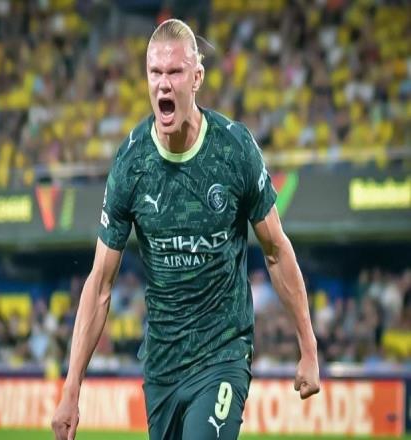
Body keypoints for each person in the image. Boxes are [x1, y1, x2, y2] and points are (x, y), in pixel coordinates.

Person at [52, 18, 320, 440]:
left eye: (175, 72)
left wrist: (308, 347)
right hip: (162, 366)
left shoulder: (234, 149)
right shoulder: (132, 163)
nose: (163, 83)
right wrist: (71, 389)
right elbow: (100, 284)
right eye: (155, 72)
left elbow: (275, 251)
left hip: (223, 354)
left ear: (197, 78)